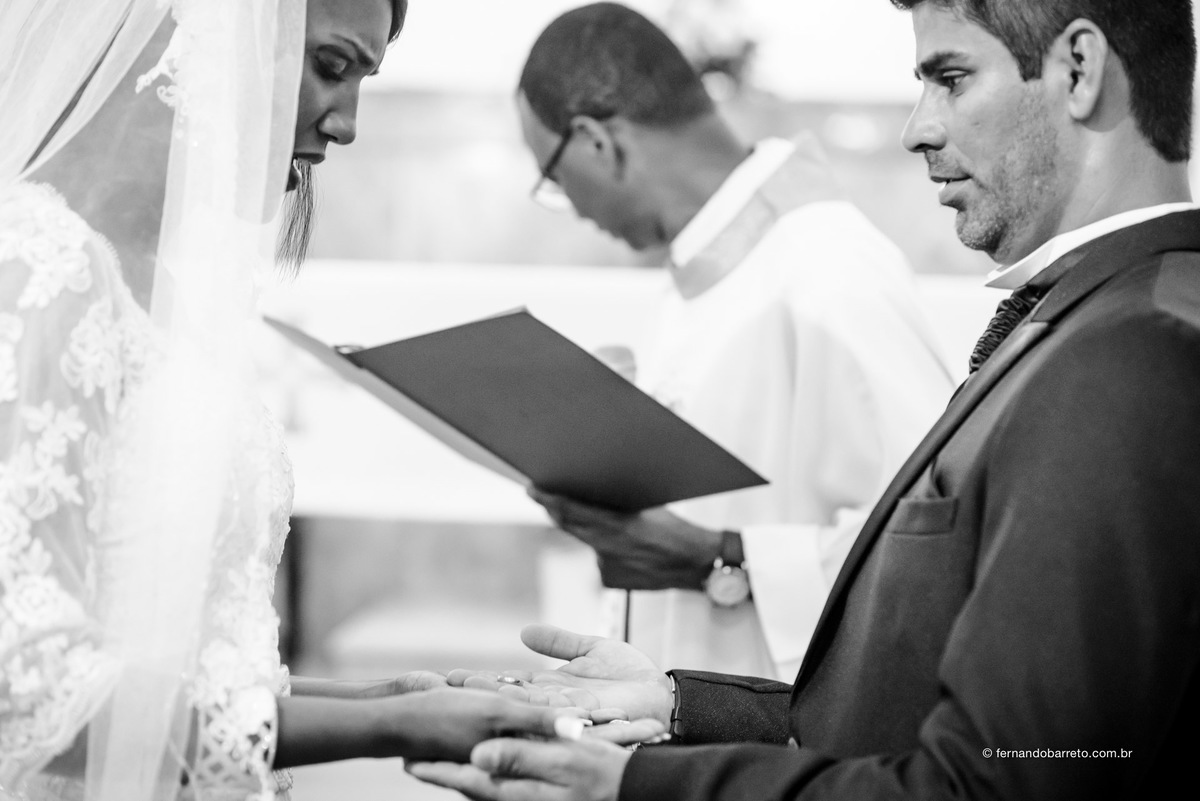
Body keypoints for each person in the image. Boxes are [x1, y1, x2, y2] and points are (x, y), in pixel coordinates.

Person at [407, 0, 1200, 798]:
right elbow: (926, 685)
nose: (916, 130)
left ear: (1078, 70)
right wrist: (680, 705)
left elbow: (1002, 782)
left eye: (950, 78)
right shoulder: (1088, 318)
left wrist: (640, 782)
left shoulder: (1128, 352)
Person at [1, 2, 648, 799]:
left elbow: (183, 657)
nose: (346, 127)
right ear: (192, 31)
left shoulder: (169, 292)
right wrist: (387, 729)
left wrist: (380, 698)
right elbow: (25, 690)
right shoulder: (35, 268)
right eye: (331, 67)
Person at [518, 2, 953, 681]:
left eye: (551, 176)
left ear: (596, 141)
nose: (570, 205)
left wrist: (715, 555)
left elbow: (932, 545)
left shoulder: (829, 266)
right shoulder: (697, 276)